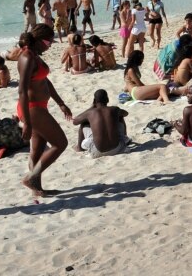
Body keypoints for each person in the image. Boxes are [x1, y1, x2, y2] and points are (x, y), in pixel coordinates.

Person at [17, 24, 72, 196]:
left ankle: (37, 189)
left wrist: (60, 103)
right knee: (60, 143)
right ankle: (30, 178)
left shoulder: (35, 56)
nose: (51, 44)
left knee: (38, 149)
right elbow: (22, 91)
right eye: (49, 41)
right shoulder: (27, 57)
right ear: (40, 40)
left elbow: (44, 81)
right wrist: (26, 122)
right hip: (32, 109)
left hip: (39, 107)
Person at [72, 90, 129, 158]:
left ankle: (79, 148)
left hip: (97, 152)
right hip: (117, 149)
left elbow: (75, 121)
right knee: (120, 117)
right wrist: (116, 114)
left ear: (94, 101)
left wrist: (91, 107)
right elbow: (126, 113)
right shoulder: (114, 109)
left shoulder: (90, 112)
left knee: (83, 123)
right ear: (107, 99)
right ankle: (125, 139)